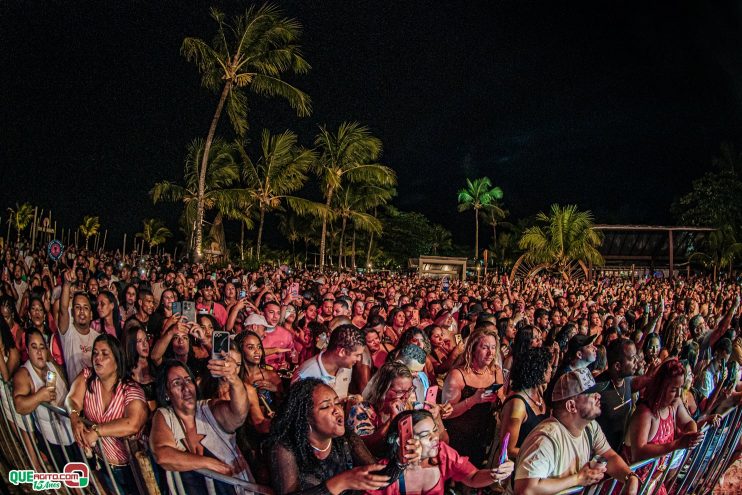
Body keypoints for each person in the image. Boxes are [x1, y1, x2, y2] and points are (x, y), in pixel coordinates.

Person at [268, 378, 419, 495]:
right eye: (326, 406)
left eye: (337, 403)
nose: (337, 410)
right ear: (305, 417)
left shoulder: (347, 439)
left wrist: (400, 460)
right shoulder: (285, 448)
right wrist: (339, 483)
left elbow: (377, 479)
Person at [512, 368, 639, 495]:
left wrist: (630, 477)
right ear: (571, 406)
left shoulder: (590, 427)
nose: (598, 396)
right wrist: (577, 479)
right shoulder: (546, 439)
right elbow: (526, 490)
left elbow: (609, 456)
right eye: (591, 393)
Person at [150, 358, 253, 494]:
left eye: (188, 380)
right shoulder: (165, 416)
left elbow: (240, 413)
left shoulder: (210, 409)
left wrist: (234, 379)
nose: (186, 388)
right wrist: (209, 464)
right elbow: (163, 455)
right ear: (166, 393)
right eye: (176, 383)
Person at [65, 334, 148, 494]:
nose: (98, 358)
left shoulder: (130, 389)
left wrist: (97, 431)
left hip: (129, 469)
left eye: (104, 354)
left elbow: (132, 423)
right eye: (95, 353)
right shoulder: (87, 377)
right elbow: (72, 399)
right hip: (101, 462)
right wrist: (74, 417)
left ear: (117, 361)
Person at [368, 410, 514, 495]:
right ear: (403, 440)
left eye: (434, 430)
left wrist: (495, 474)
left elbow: (473, 477)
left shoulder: (442, 453)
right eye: (425, 435)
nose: (435, 438)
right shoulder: (385, 472)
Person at [624, 359, 704, 495]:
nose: (678, 394)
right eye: (673, 389)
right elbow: (638, 452)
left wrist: (691, 435)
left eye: (680, 388)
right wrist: (677, 444)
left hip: (652, 481)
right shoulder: (645, 413)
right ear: (662, 386)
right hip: (633, 483)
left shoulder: (675, 404)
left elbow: (689, 422)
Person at [12, 328, 77, 469]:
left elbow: (68, 391)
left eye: (42, 347)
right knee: (73, 482)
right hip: (54, 440)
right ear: (27, 351)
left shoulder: (52, 366)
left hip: (71, 432)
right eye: (34, 347)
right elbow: (19, 405)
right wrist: (39, 396)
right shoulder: (24, 373)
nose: (39, 352)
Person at [442, 329, 504, 467]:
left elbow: (501, 398)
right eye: (485, 347)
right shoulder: (458, 375)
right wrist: (473, 400)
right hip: (459, 437)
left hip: (483, 434)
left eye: (493, 348)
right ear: (473, 349)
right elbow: (446, 414)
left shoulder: (495, 371)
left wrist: (501, 401)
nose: (490, 353)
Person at [498, 347, 551, 459]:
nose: (551, 369)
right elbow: (508, 449)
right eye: (548, 365)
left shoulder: (538, 392)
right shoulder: (517, 405)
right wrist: (541, 453)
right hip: (518, 469)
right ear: (537, 370)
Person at [293, 324, 365, 399]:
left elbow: (341, 395)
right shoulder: (305, 375)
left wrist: (350, 400)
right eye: (357, 355)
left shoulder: (347, 367)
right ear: (342, 352)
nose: (359, 359)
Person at [58, 269, 102, 381]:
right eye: (77, 307)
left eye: (85, 308)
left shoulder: (97, 338)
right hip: (75, 395)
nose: (82, 311)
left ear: (91, 315)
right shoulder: (68, 332)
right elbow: (63, 309)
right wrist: (67, 284)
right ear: (72, 313)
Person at [123, 324, 157, 409]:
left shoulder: (155, 364)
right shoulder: (125, 371)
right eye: (139, 341)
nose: (145, 344)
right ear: (132, 345)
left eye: (146, 340)